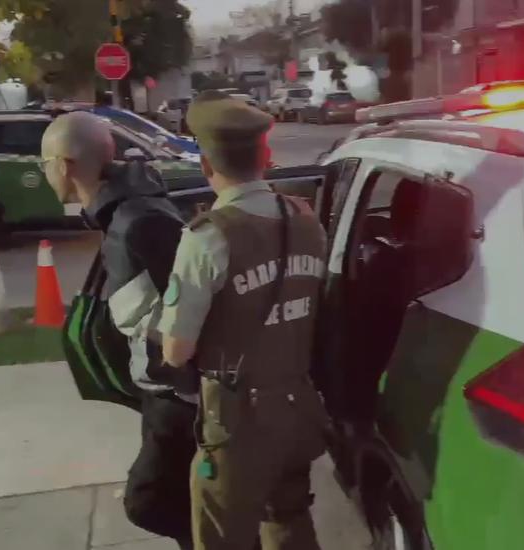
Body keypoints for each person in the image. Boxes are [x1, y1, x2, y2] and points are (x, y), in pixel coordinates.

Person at [154, 91, 331, 549]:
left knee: (220, 536)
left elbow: (177, 351)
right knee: (290, 521)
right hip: (298, 408)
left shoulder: (208, 238)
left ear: (206, 166)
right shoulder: (307, 220)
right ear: (266, 158)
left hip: (238, 422)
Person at [40, 111, 196, 550]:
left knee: (149, 503)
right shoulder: (121, 212)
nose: (45, 172)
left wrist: (185, 388)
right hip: (159, 394)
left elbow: (192, 311)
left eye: (44, 162)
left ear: (65, 166)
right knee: (178, 503)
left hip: (178, 400)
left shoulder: (140, 222)